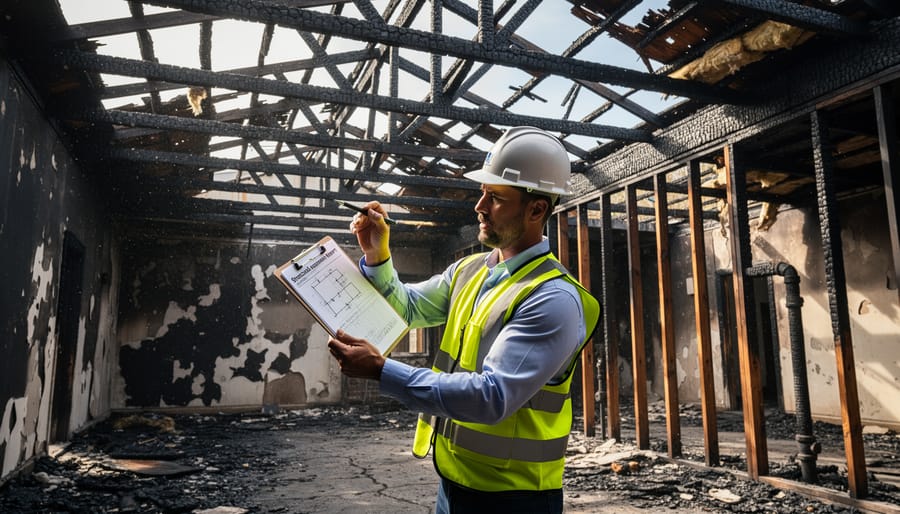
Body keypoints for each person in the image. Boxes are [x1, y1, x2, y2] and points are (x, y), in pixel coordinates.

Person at [327, 126, 600, 514]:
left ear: (537, 209)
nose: (480, 206)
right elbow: (406, 308)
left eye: (497, 198)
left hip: (515, 499)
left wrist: (381, 371)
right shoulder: (469, 271)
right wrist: (377, 256)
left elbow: (491, 398)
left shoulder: (553, 298)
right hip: (453, 483)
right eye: (482, 192)